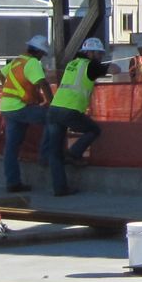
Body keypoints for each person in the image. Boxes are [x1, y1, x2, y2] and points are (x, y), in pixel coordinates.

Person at [42, 36, 110, 197]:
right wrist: (108, 65)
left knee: (55, 153)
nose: (100, 57)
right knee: (93, 130)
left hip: (55, 109)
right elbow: (114, 69)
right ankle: (74, 153)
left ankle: (60, 188)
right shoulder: (90, 65)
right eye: (99, 53)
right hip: (69, 110)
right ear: (90, 53)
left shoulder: (72, 64)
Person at [0, 34, 54, 193]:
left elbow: (1, 74)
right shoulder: (33, 63)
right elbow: (43, 83)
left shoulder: (17, 61)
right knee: (52, 118)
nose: (42, 57)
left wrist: (11, 90)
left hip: (8, 107)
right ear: (39, 52)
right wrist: (52, 104)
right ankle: (45, 156)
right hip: (20, 107)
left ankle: (13, 182)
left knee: (11, 147)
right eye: (43, 54)